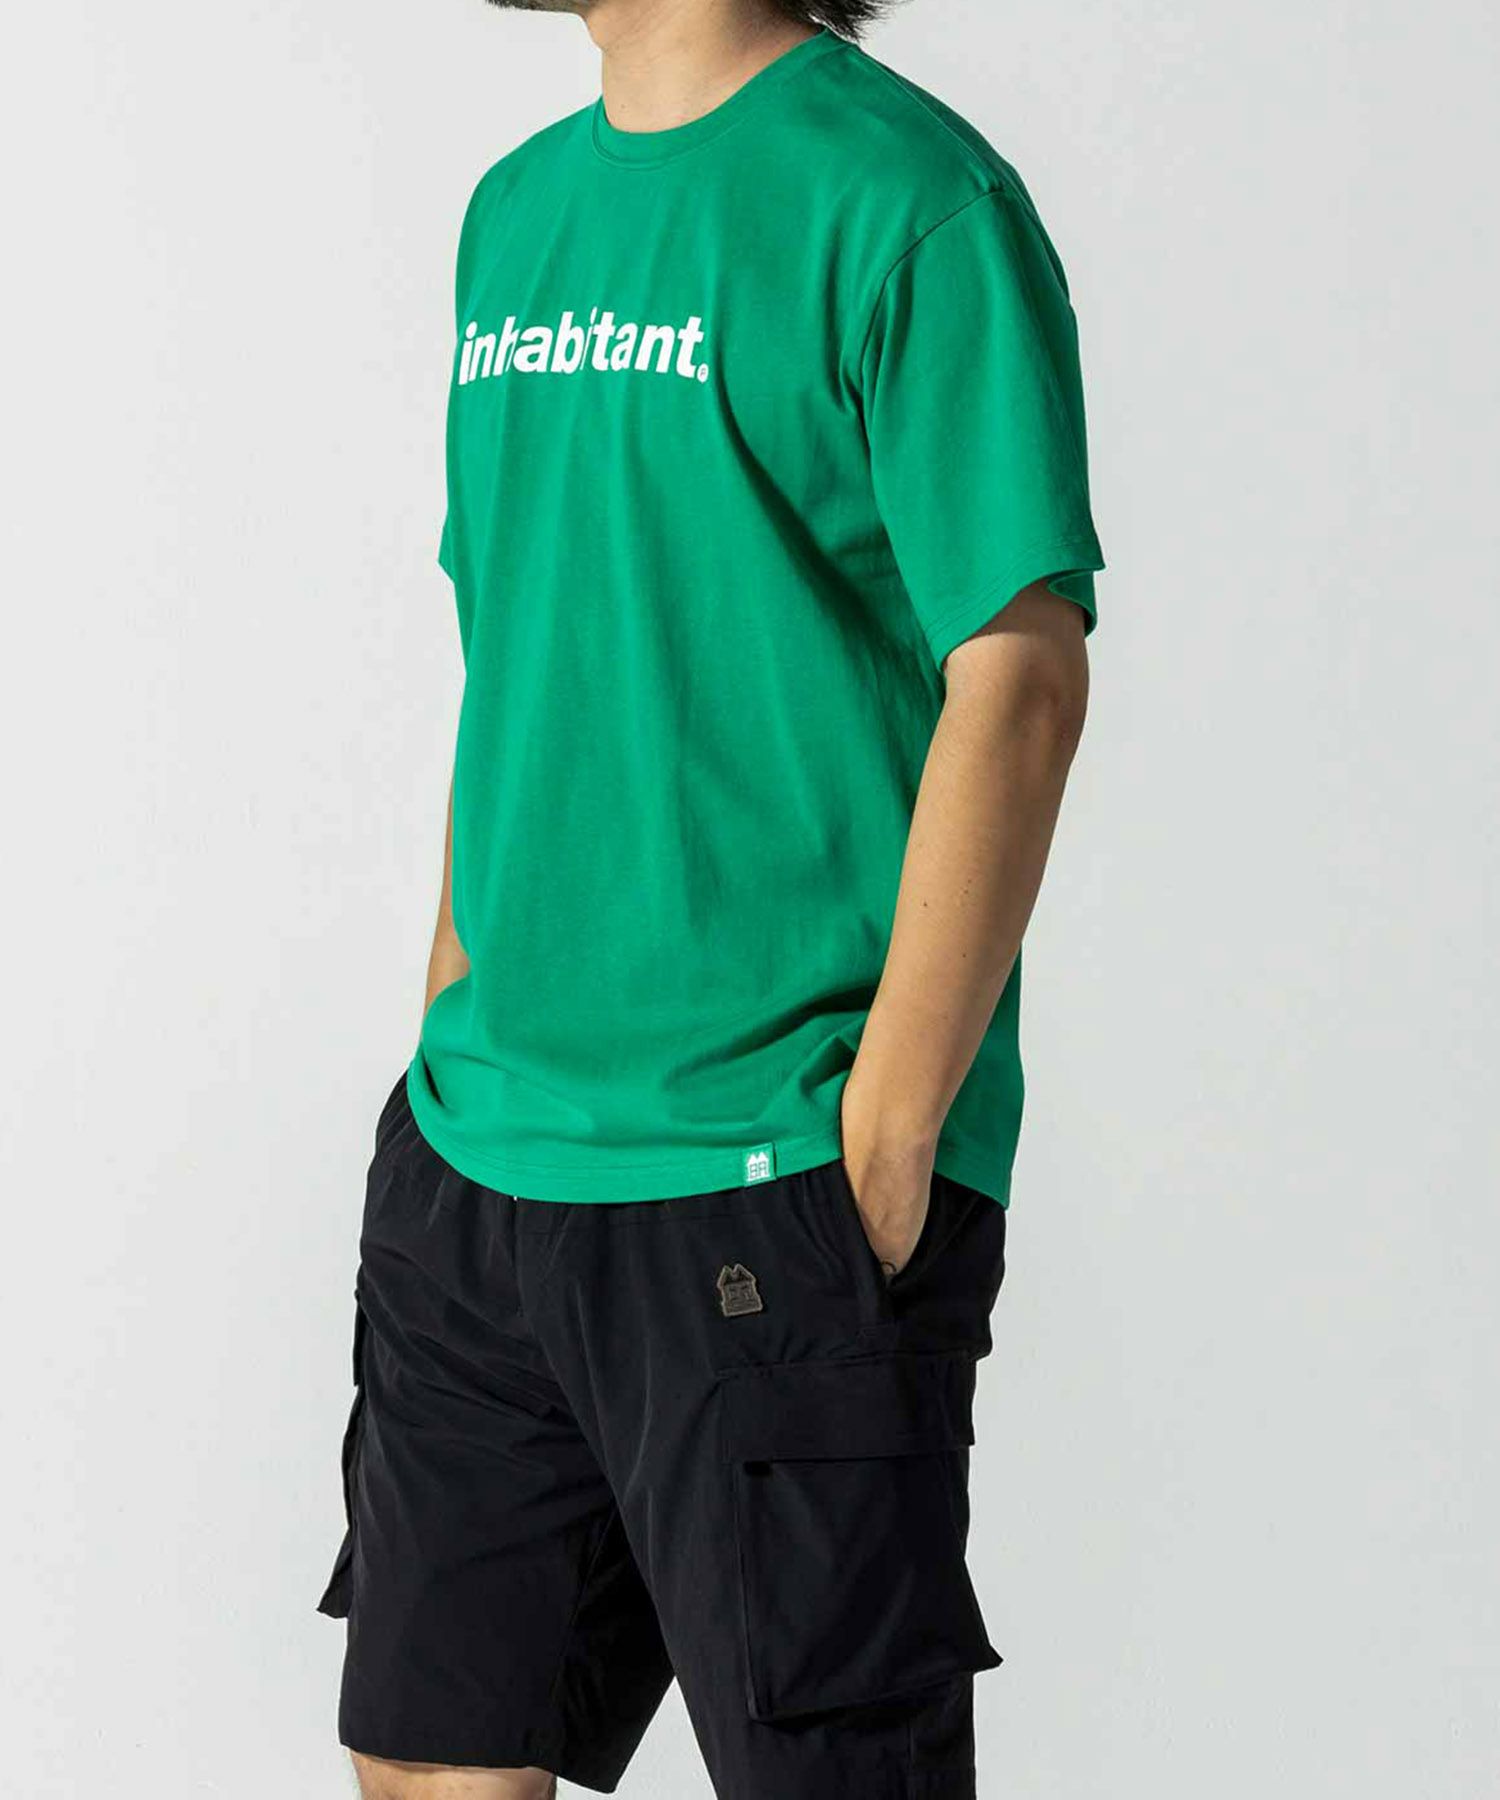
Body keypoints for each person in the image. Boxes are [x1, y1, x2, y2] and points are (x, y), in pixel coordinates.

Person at [315, 0, 1104, 1794]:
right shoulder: (516, 212)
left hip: (772, 1169)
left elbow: (1019, 678)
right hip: (484, 1160)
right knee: (431, 1765)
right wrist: (451, 1011)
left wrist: (885, 1133)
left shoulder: (910, 201)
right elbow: (523, 638)